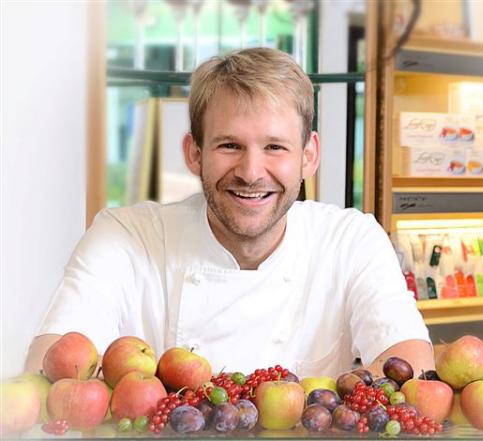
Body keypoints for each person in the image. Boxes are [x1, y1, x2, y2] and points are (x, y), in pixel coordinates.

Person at [26, 47, 433, 379]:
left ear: (309, 156)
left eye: (275, 147)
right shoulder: (126, 237)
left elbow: (410, 363)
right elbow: (51, 363)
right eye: (229, 146)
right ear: (194, 153)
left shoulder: (351, 240)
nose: (251, 173)